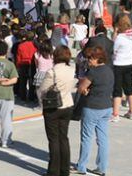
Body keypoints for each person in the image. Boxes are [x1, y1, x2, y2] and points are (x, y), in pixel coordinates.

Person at [38, 46, 76, 176]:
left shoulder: (52, 72)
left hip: (53, 107)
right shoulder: (71, 70)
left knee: (53, 139)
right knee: (63, 138)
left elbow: (43, 89)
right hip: (67, 104)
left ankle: (53, 171)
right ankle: (65, 170)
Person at [75, 45, 114, 175]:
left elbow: (81, 87)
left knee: (86, 137)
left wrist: (84, 90)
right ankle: (102, 167)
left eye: (90, 58)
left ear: (97, 58)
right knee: (102, 138)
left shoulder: (93, 72)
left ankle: (81, 166)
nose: (89, 61)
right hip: (106, 106)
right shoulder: (109, 70)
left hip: (92, 107)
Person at [111, 16, 132, 121]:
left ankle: (116, 114)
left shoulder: (119, 37)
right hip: (129, 63)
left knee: (117, 90)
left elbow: (114, 50)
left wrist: (115, 32)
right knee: (129, 88)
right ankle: (131, 112)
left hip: (118, 64)